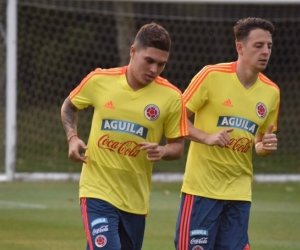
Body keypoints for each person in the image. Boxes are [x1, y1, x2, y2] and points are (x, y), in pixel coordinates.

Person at [61, 22, 188, 250]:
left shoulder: (172, 97)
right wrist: (72, 137)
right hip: (96, 190)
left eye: (161, 64)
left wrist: (163, 151)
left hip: (135, 201)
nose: (154, 69)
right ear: (133, 51)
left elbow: (177, 147)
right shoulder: (100, 80)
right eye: (149, 60)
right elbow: (69, 105)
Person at [174, 17, 280, 250]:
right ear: (239, 47)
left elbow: (260, 143)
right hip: (202, 190)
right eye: (258, 45)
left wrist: (265, 147)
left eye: (269, 46)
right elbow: (174, 120)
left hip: (240, 194)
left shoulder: (272, 92)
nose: (266, 52)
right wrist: (206, 137)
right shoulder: (211, 75)